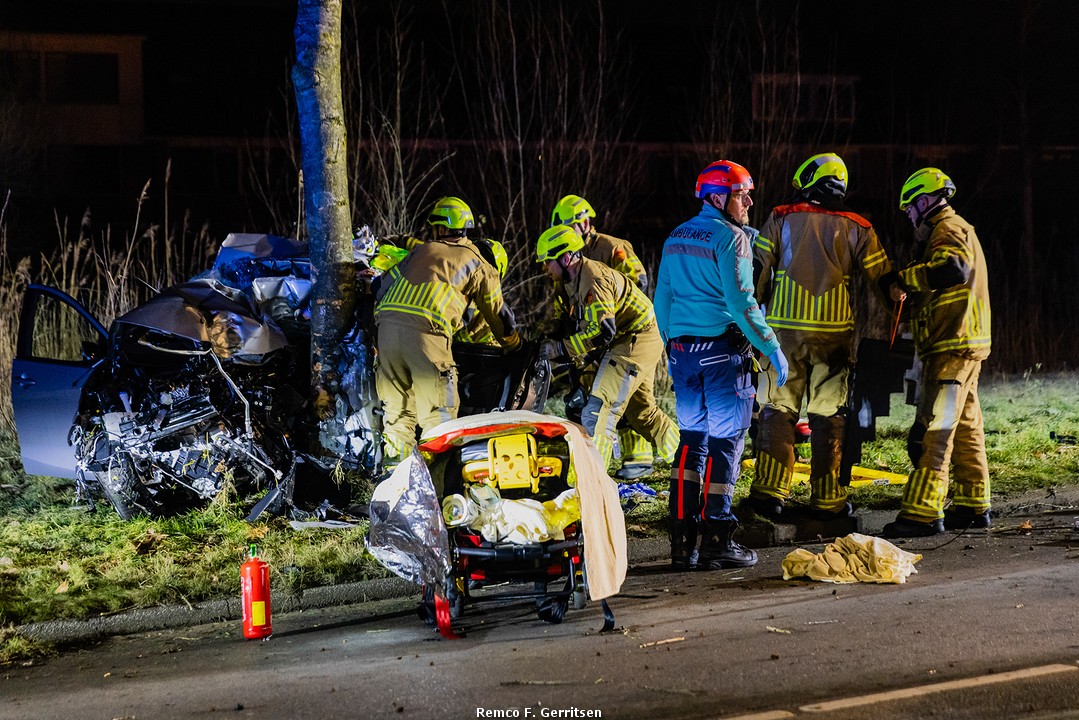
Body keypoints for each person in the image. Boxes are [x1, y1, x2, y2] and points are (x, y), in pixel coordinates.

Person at [746, 153, 904, 521]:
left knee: (777, 412)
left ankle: (769, 494)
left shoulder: (781, 216)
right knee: (828, 416)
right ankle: (828, 498)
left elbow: (756, 272)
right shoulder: (858, 226)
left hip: (782, 337)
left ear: (808, 181)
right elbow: (884, 282)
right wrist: (902, 314)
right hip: (834, 338)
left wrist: (750, 318)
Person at [653, 159, 788, 571]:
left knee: (692, 441)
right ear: (717, 197)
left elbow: (662, 301)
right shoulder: (731, 239)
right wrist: (772, 347)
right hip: (721, 355)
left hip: (682, 354)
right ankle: (717, 538)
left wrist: (674, 346)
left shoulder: (676, 237)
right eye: (741, 194)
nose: (747, 201)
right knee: (726, 442)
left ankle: (681, 542)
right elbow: (741, 303)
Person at [881, 168, 992, 537]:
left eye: (911, 209)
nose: (910, 218)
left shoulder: (947, 228)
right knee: (965, 428)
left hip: (952, 345)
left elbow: (952, 269)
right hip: (963, 344)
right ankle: (974, 505)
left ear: (925, 201)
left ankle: (923, 512)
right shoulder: (959, 228)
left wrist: (903, 278)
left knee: (937, 428)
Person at [374, 197, 521, 467]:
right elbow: (498, 314)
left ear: (440, 228)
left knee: (398, 414)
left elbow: (379, 287)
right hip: (427, 337)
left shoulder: (421, 251)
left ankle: (396, 483)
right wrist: (514, 346)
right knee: (438, 415)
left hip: (386, 331)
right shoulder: (478, 262)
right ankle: (437, 484)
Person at [534, 223, 679, 475]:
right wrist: (544, 335)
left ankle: (591, 479)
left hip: (635, 337)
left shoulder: (594, 279)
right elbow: (567, 320)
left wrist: (561, 349)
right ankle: (687, 457)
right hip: (628, 338)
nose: (544, 268)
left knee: (599, 409)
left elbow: (603, 331)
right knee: (641, 412)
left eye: (547, 261)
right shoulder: (565, 282)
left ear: (566, 257)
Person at [551, 194, 656, 480]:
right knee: (598, 395)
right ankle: (595, 456)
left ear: (584, 223)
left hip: (624, 332)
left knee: (633, 398)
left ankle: (639, 457)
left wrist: (612, 318)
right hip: (594, 336)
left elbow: (638, 281)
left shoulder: (611, 247)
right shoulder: (566, 255)